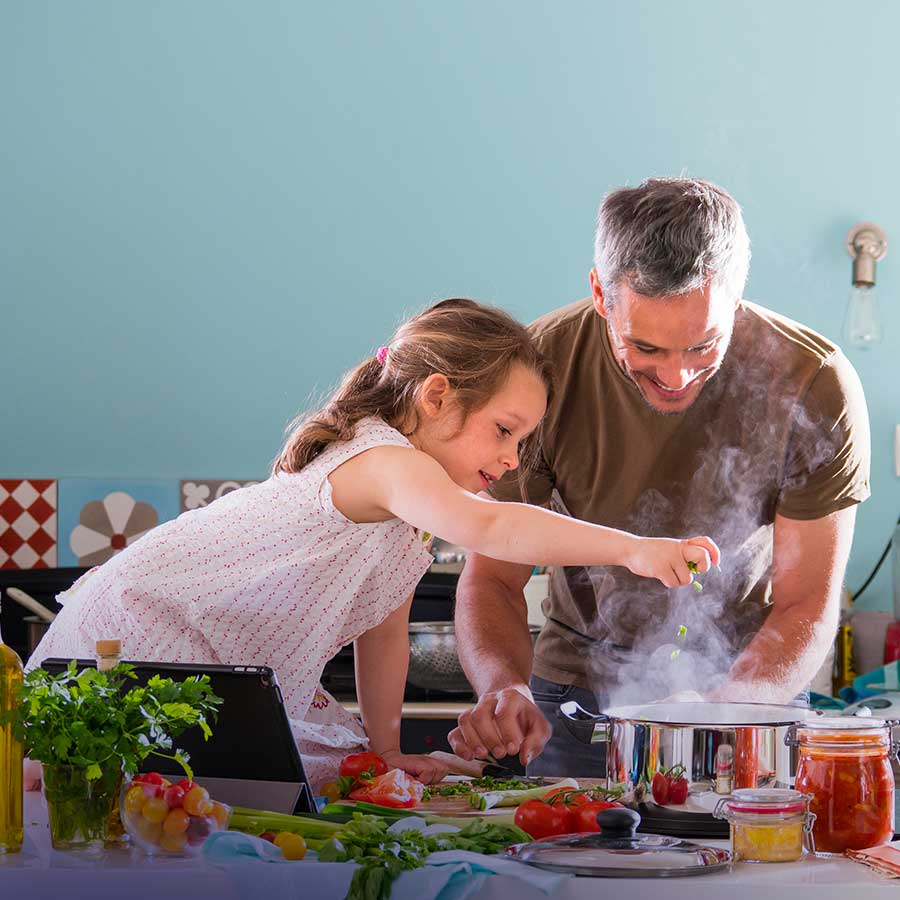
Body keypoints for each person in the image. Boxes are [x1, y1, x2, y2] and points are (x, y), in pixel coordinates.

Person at [28, 298, 718, 791]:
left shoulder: (404, 513)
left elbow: (382, 636)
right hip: (144, 630)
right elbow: (493, 528)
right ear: (437, 396)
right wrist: (634, 549)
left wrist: (386, 749)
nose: (512, 460)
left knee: (264, 790)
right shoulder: (386, 461)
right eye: (505, 430)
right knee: (114, 801)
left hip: (206, 660)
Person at [449, 178, 871, 777]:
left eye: (705, 346)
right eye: (644, 347)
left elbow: (806, 603)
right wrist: (502, 687)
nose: (676, 376)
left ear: (737, 296)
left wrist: (726, 712)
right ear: (600, 293)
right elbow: (492, 576)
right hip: (575, 694)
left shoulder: (815, 383)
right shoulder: (539, 371)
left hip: (751, 688)